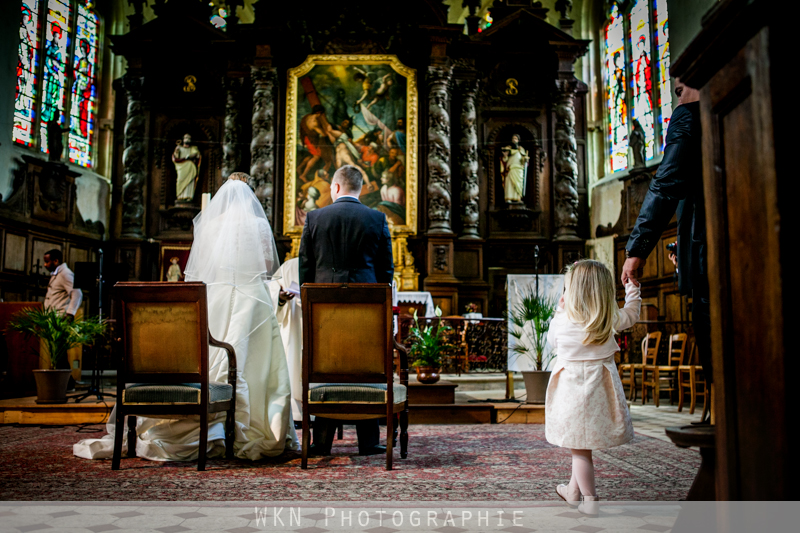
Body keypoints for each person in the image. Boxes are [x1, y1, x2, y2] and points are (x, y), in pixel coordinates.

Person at [74, 173, 299, 461]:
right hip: (252, 300)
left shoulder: (212, 224)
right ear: (252, 197)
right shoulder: (257, 224)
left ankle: (201, 414)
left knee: (207, 353)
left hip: (213, 296)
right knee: (255, 362)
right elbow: (266, 267)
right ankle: (253, 427)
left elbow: (204, 266)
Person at [621, 79, 710, 422]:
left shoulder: (689, 116)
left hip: (707, 258)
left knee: (717, 352)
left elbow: (666, 182)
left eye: (678, 91)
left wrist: (636, 249)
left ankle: (722, 423)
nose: (680, 100)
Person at [298, 165, 394, 456]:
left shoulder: (315, 217)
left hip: (323, 303)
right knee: (364, 368)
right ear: (360, 188)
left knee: (327, 367)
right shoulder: (377, 218)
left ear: (336, 188)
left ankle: (322, 441)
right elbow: (386, 269)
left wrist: (312, 297)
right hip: (366, 301)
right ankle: (368, 441)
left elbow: (305, 266)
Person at [546, 259, 640, 516]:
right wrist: (633, 290)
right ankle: (572, 491)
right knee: (581, 442)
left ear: (570, 291)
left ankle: (590, 500)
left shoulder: (563, 322)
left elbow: (551, 341)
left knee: (580, 450)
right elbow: (631, 314)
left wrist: (559, 310)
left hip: (571, 392)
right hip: (599, 391)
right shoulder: (608, 319)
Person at [268, 258, 302, 423]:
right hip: (295, 323)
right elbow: (272, 290)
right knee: (294, 364)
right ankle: (296, 413)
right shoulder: (291, 266)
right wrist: (281, 298)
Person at [43, 249, 83, 384]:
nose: (45, 265)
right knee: (57, 352)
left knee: (59, 351)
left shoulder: (65, 274)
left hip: (60, 317)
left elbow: (77, 293)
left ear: (56, 261)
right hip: (52, 318)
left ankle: (66, 382)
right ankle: (65, 381)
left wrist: (70, 313)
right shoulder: (56, 274)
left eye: (47, 262)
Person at [172, 134, 201, 202]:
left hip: (190, 168)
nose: (187, 139)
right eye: (186, 138)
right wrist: (177, 151)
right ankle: (180, 196)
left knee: (190, 182)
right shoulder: (180, 148)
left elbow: (196, 155)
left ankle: (189, 196)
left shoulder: (193, 148)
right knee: (180, 180)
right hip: (181, 168)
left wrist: (188, 157)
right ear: (183, 139)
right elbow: (176, 157)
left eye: (189, 138)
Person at [500, 134, 529, 203]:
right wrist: (505, 156)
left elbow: (523, 161)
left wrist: (525, 159)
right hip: (510, 169)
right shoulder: (508, 148)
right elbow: (504, 160)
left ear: (518, 140)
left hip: (518, 170)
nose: (514, 140)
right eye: (513, 138)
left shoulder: (521, 150)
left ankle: (518, 198)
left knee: (518, 184)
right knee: (509, 183)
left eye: (516, 139)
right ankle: (508, 198)